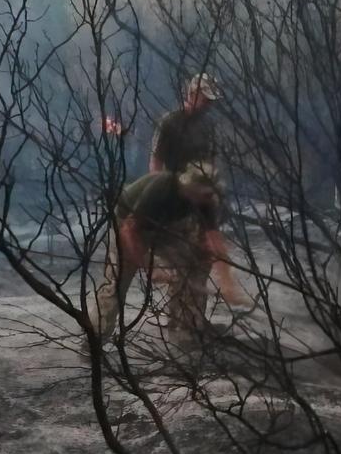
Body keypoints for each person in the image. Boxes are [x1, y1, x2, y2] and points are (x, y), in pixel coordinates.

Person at [150, 73, 250, 308]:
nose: (209, 105)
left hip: (202, 190)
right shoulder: (170, 122)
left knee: (209, 247)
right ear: (192, 94)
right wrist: (158, 192)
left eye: (211, 100)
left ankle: (221, 294)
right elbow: (156, 160)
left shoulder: (207, 126)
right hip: (176, 192)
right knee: (182, 256)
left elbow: (211, 161)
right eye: (205, 99)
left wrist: (215, 192)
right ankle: (180, 318)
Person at [95, 162, 224, 342]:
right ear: (191, 185)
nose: (207, 199)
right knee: (118, 282)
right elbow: (129, 230)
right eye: (204, 194)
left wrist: (225, 279)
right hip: (129, 223)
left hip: (165, 226)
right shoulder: (163, 186)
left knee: (192, 264)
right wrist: (149, 269)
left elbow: (211, 238)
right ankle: (95, 338)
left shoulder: (205, 199)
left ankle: (185, 329)